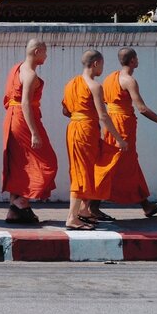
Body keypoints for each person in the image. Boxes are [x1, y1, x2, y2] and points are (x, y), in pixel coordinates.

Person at [91, 47, 157, 220]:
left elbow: (105, 101)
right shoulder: (129, 80)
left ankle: (146, 205)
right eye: (137, 58)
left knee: (130, 163)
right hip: (122, 126)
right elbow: (141, 108)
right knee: (112, 163)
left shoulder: (111, 77)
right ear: (132, 60)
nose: (138, 61)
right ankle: (92, 204)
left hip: (113, 122)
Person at [61, 50, 128, 230]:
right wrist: (119, 139)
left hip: (74, 128)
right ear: (96, 63)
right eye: (102, 65)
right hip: (86, 130)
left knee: (88, 169)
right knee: (81, 172)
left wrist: (80, 114)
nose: (103, 69)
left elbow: (65, 111)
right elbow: (103, 116)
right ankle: (71, 217)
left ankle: (84, 211)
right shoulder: (94, 86)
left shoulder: (70, 84)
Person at [2, 39, 58, 224]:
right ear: (36, 52)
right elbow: (25, 102)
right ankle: (21, 201)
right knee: (48, 162)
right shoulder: (30, 74)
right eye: (45, 52)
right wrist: (34, 132)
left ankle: (14, 209)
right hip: (24, 119)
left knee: (19, 163)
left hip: (12, 118)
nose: (46, 56)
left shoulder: (16, 68)